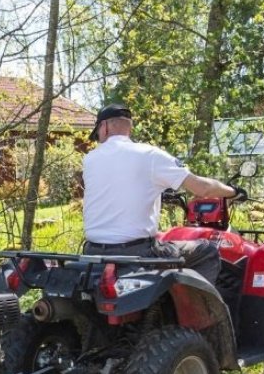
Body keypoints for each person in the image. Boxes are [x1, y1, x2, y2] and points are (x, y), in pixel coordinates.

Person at [82, 103, 245, 285]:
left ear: (103, 127)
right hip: (137, 253)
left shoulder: (89, 159)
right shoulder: (149, 155)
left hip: (92, 252)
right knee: (207, 251)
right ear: (129, 127)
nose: (98, 139)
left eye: (97, 134)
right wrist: (233, 192)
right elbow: (202, 188)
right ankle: (193, 312)